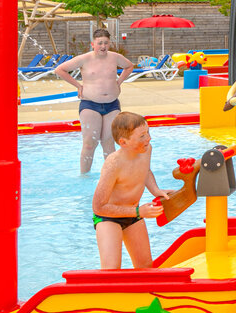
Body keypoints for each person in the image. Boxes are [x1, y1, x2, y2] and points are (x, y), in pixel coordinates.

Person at [91, 111, 170, 269]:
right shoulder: (113, 164)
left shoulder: (146, 150)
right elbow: (98, 206)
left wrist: (156, 190)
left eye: (148, 132)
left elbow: (145, 171)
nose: (148, 138)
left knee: (146, 266)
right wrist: (139, 212)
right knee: (111, 269)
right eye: (141, 136)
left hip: (133, 214)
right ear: (123, 142)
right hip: (108, 218)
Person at [55, 27, 136, 174]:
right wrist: (78, 85)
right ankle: (84, 177)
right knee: (89, 144)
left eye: (106, 43)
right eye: (100, 43)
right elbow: (60, 70)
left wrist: (119, 81)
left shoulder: (115, 57)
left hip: (112, 105)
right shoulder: (84, 59)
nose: (103, 46)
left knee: (109, 142)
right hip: (90, 105)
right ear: (93, 44)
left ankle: (111, 177)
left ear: (109, 43)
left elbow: (129, 66)